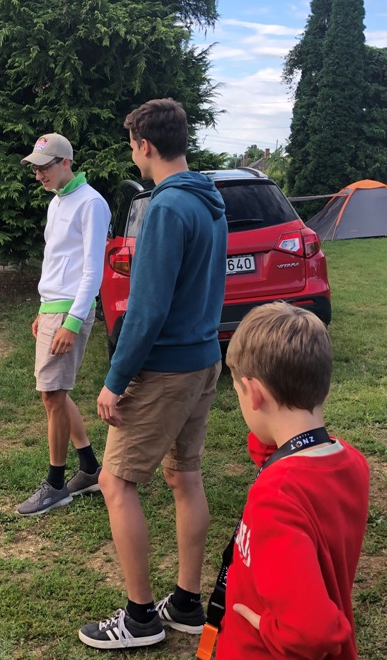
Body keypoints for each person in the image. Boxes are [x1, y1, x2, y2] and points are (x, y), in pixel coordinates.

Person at [78, 99, 227, 650]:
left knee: (116, 481)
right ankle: (186, 603)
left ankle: (141, 618)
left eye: (131, 146)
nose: (132, 155)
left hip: (165, 367)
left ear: (144, 144)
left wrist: (115, 379)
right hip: (204, 359)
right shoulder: (209, 200)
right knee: (184, 475)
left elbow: (146, 308)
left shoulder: (165, 207)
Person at [206, 301, 370, 659]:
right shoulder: (351, 463)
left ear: (254, 393)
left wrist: (264, 626)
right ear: (325, 387)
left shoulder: (276, 498)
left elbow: (314, 633)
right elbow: (279, 453)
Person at [16, 133, 109, 516]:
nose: (39, 174)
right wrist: (43, 308)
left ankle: (56, 485)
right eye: (35, 168)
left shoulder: (91, 203)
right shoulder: (58, 202)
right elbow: (56, 261)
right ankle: (89, 469)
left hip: (70, 310)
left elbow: (92, 270)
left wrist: (72, 321)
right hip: (53, 307)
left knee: (53, 394)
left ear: (66, 162)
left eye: (45, 167)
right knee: (53, 393)